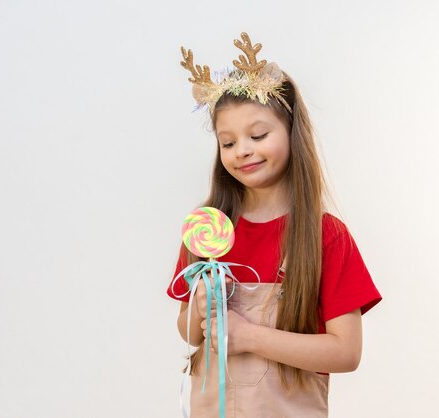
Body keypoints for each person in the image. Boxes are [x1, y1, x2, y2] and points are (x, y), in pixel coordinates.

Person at [167, 32, 382, 417]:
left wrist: (249, 337)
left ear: (290, 131)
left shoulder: (323, 236)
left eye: (259, 134)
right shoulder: (209, 228)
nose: (243, 150)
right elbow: (187, 331)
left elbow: (346, 352)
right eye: (228, 142)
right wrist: (198, 309)